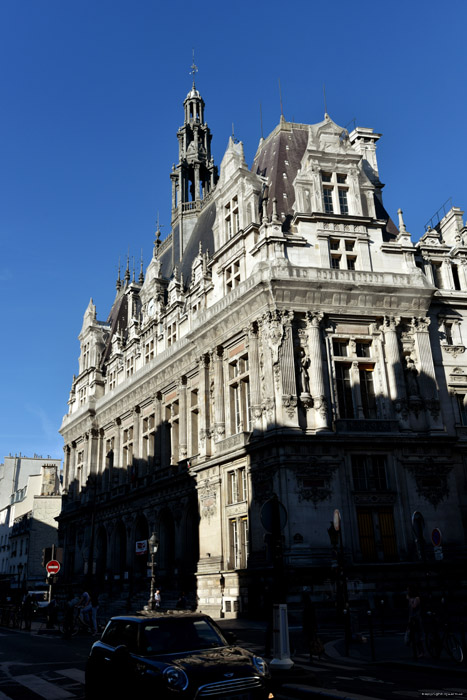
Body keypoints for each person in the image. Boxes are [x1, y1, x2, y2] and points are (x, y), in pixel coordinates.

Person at [302, 591, 324, 661]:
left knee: (311, 641)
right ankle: (318, 654)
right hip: (311, 625)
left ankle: (313, 655)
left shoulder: (307, 606)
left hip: (309, 626)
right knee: (314, 640)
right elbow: (313, 617)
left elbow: (307, 618)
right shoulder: (311, 605)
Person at [407, 585, 427, 658]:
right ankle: (419, 652)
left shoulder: (417, 598)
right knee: (413, 637)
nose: (407, 591)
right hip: (412, 619)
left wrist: (409, 600)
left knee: (418, 636)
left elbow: (414, 606)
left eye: (408, 590)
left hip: (417, 619)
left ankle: (422, 652)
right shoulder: (411, 598)